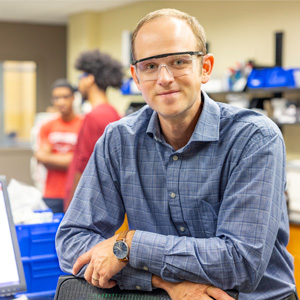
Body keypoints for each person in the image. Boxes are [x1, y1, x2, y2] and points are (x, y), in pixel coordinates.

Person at [56, 8, 297, 300]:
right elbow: (73, 243)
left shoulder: (254, 138)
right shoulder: (119, 140)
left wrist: (130, 245)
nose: (165, 78)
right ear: (135, 76)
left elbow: (242, 261)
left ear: (205, 67)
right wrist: (162, 282)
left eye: (179, 61)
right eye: (150, 66)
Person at [64, 49, 123, 211]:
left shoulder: (94, 116)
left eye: (80, 78)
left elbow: (83, 165)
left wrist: (72, 206)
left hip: (85, 205)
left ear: (89, 79)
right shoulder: (113, 112)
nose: (79, 84)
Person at [35, 79, 83, 213]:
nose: (61, 102)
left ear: (73, 98)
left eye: (65, 97)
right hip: (51, 194)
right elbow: (41, 157)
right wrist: (71, 159)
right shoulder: (47, 126)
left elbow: (82, 161)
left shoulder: (84, 125)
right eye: (57, 98)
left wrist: (51, 157)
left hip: (77, 193)